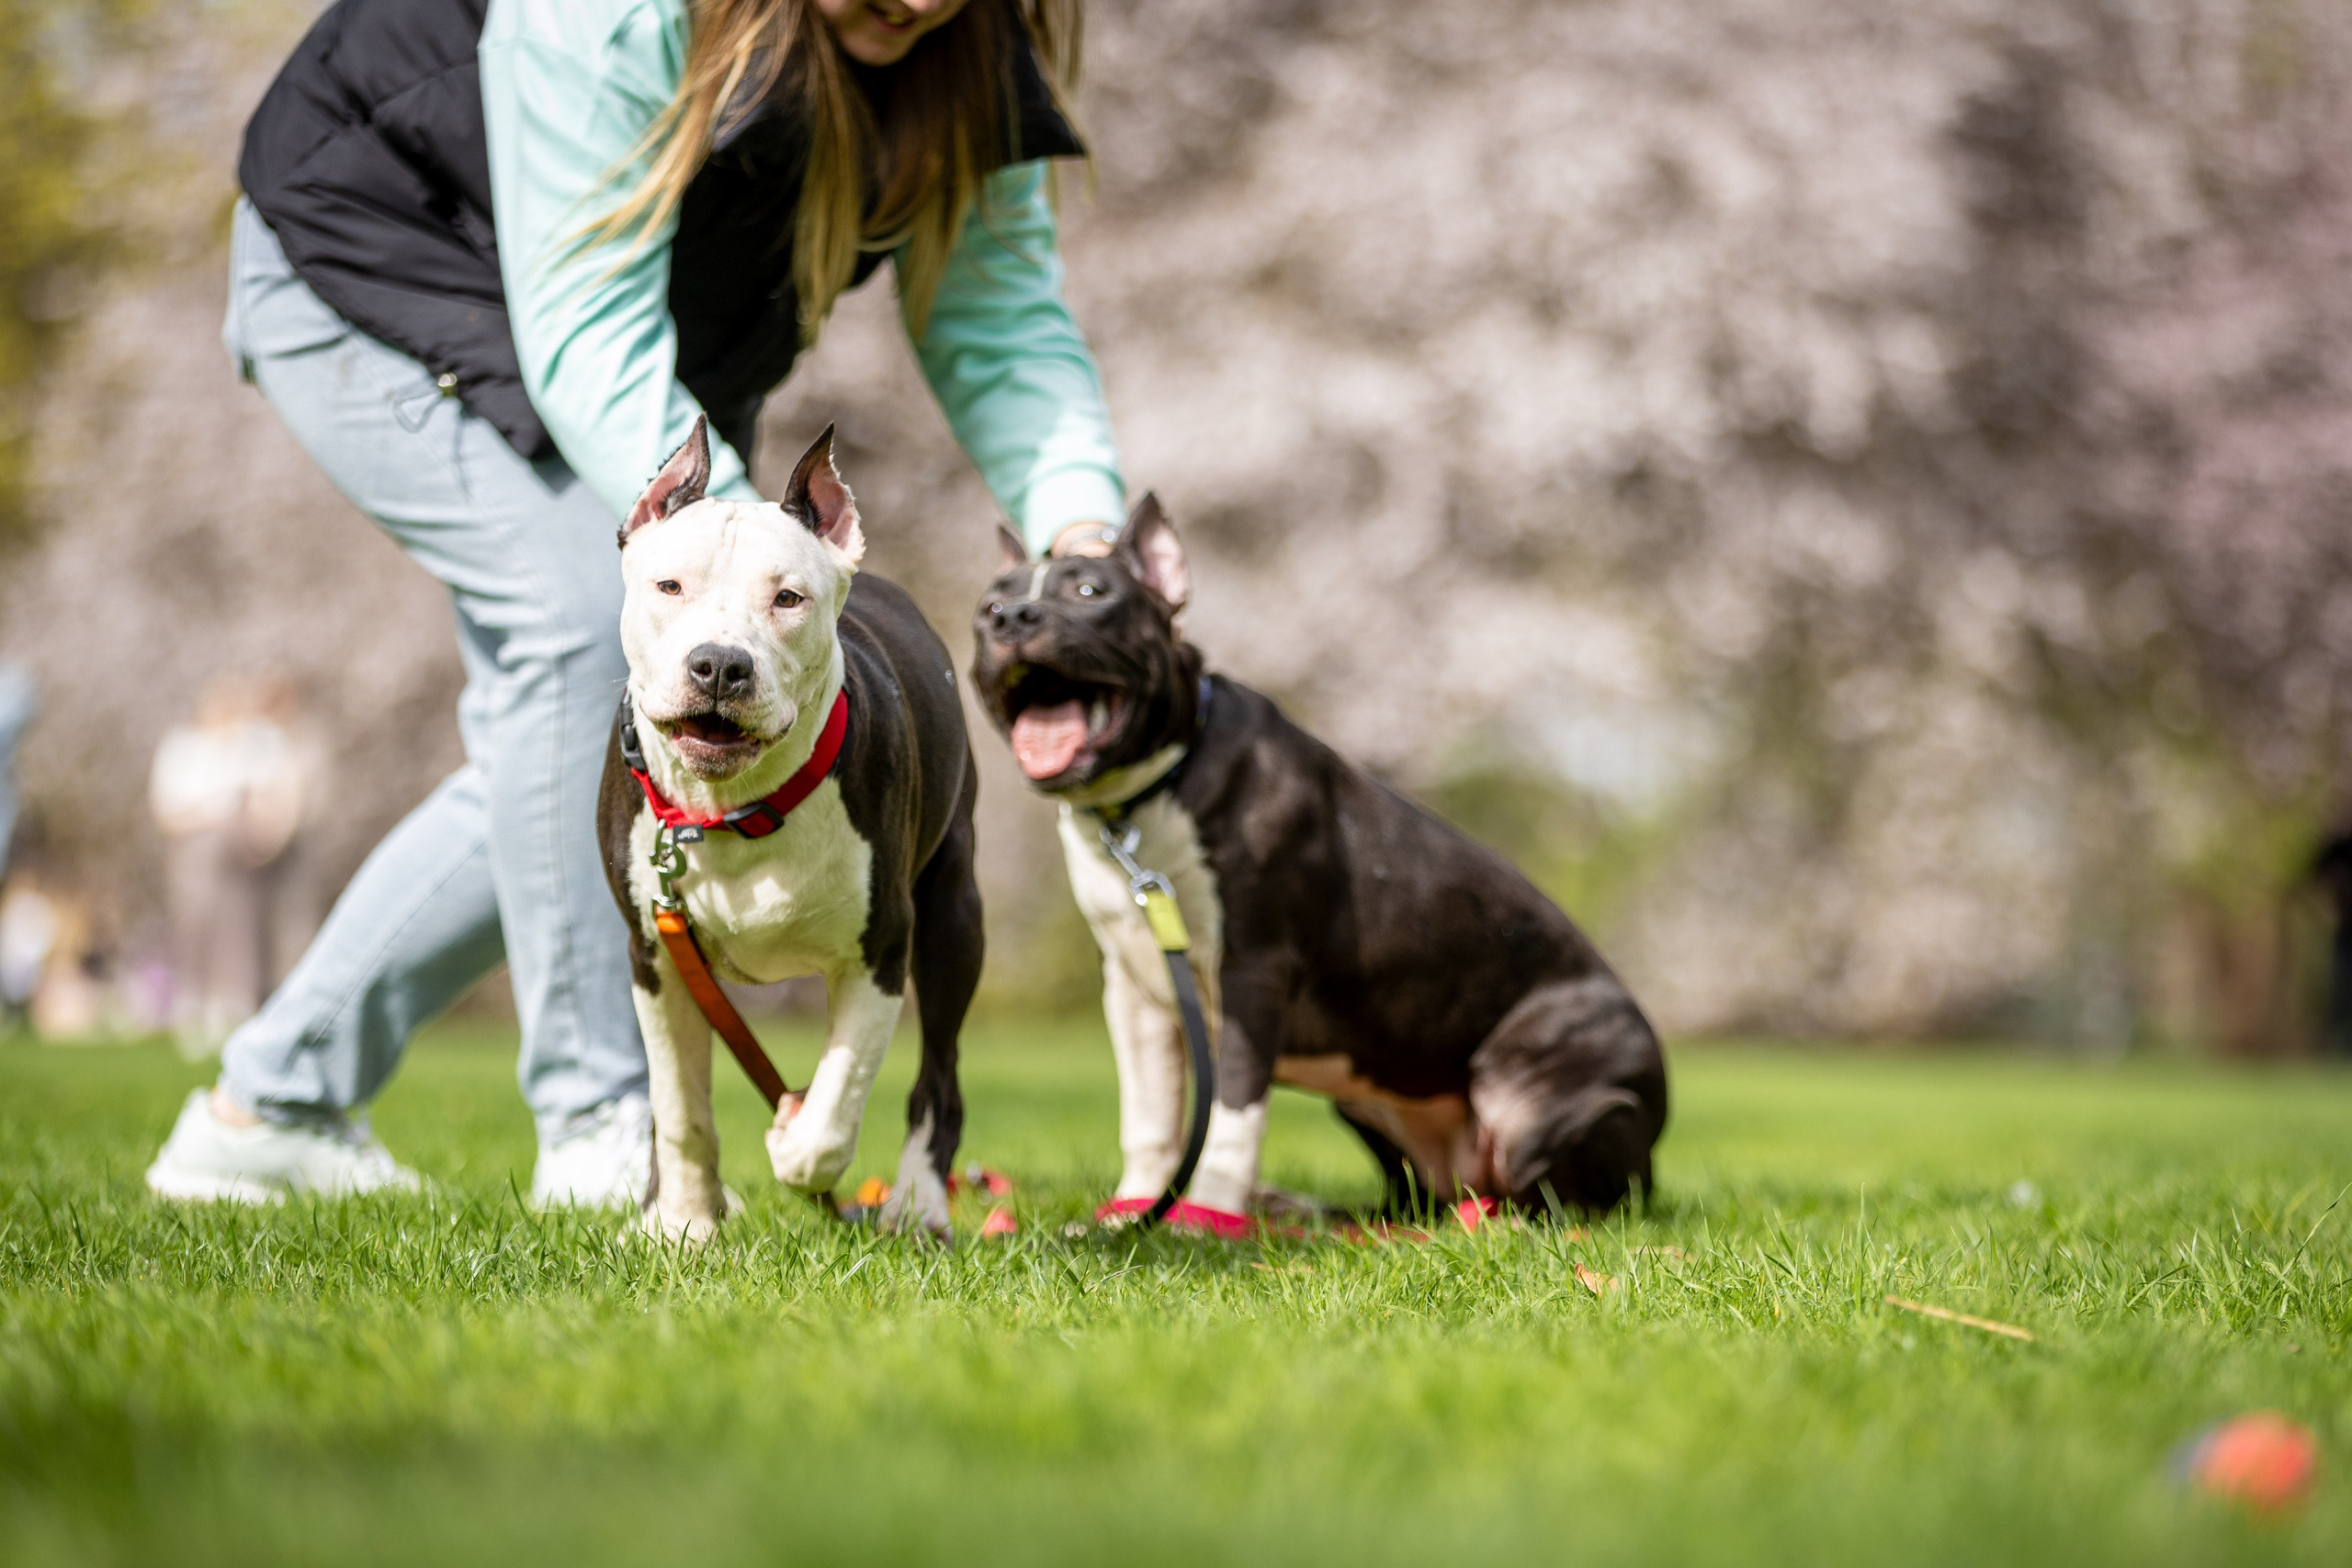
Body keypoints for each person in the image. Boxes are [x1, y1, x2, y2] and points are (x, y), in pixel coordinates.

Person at [146, 0, 1125, 1204]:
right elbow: (584, 320)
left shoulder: (956, 56)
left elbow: (1001, 321)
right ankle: (605, 1122)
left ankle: (274, 1098)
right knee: (584, 635)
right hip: (387, 263)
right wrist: (722, 556)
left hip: (643, 344)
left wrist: (1087, 536)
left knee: (632, 716)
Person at [150, 675, 318, 1057]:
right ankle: (193, 1010)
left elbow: (272, 795)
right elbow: (168, 810)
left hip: (242, 856)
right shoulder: (184, 748)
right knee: (197, 927)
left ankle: (235, 1010)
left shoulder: (252, 747)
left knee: (241, 932)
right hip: (195, 853)